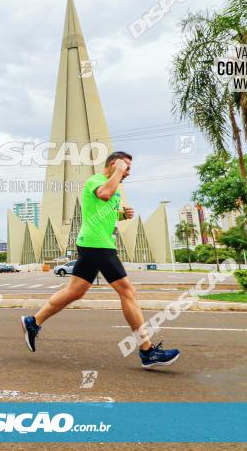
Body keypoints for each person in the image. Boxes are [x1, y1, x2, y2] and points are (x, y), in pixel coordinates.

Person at [20, 151, 181, 369]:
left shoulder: (112, 187)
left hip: (94, 242)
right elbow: (104, 194)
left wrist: (122, 214)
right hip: (97, 244)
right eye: (126, 167)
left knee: (75, 291)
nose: (128, 173)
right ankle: (147, 350)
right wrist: (118, 173)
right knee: (128, 292)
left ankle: (33, 322)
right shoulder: (96, 181)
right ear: (114, 163)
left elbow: (105, 209)